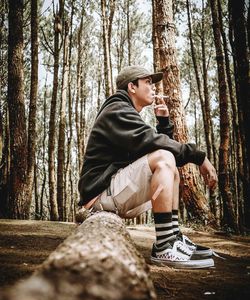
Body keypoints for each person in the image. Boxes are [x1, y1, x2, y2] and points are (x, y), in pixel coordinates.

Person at [78, 65, 218, 269]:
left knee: (168, 165)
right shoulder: (116, 110)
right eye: (148, 82)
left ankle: (172, 238)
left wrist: (163, 122)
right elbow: (156, 146)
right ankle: (164, 247)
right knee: (162, 158)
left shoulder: (125, 112)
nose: (154, 87)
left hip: (114, 193)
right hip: (98, 198)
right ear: (132, 87)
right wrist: (199, 157)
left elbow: (167, 156)